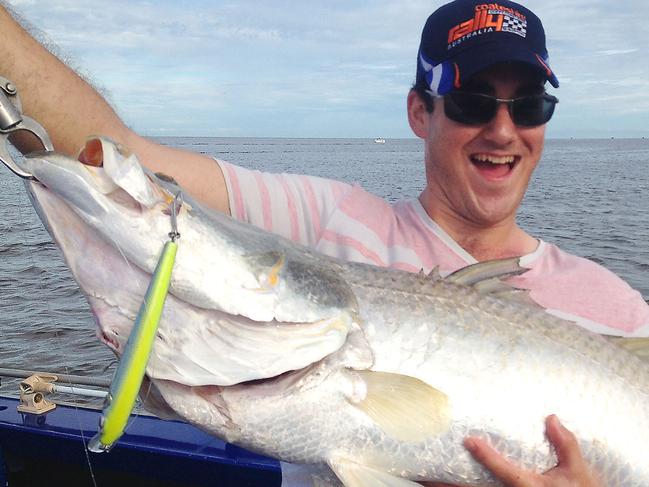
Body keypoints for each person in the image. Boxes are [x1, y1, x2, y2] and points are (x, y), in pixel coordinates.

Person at [0, 0, 646, 485]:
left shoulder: (615, 309)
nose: (502, 129)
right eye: (473, 101)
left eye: (529, 104)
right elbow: (122, 158)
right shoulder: (322, 220)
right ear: (420, 110)